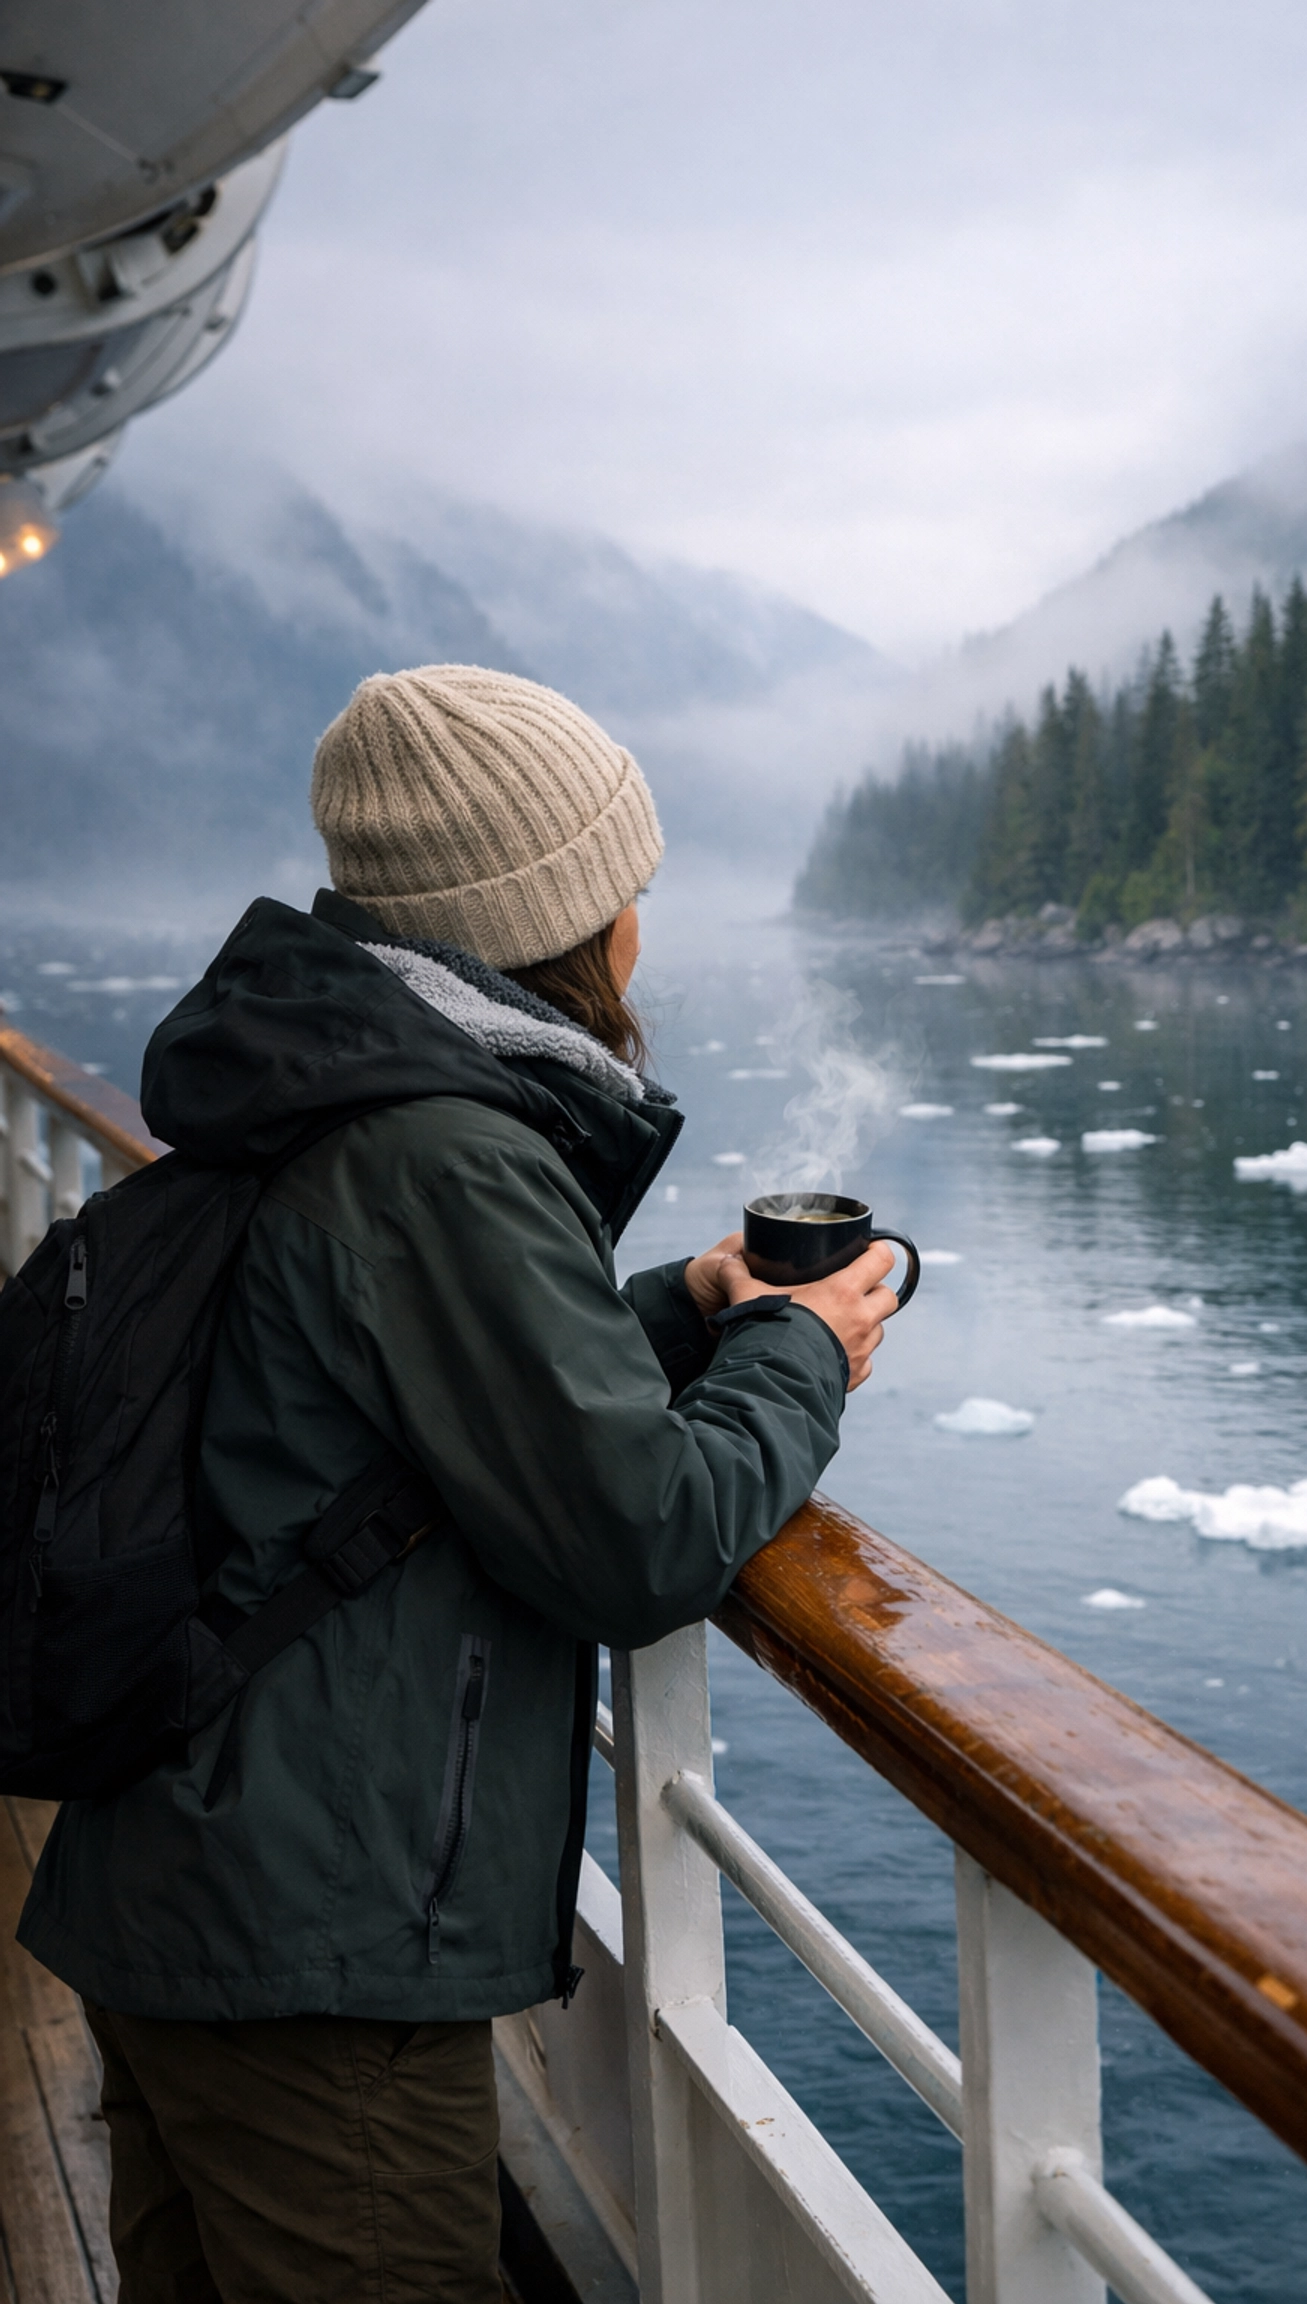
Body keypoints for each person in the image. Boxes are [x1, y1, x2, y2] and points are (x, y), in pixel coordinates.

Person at [18, 665, 895, 2304]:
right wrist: (801, 1359)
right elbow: (640, 1539)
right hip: (303, 1942)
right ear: (565, 916)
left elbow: (382, 1398)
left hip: (195, 1859)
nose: (644, 912)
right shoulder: (443, 1145)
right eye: (626, 877)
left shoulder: (333, 1073)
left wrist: (679, 1311)